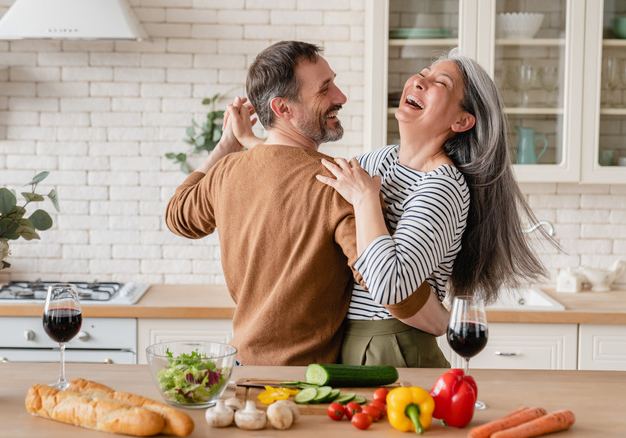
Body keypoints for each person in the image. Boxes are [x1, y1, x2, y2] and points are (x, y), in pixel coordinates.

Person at [229, 48, 551, 367]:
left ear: (461, 120)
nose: (419, 82)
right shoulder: (380, 160)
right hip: (348, 343)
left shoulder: (443, 186)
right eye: (422, 74)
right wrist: (251, 141)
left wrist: (366, 200)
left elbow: (391, 286)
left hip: (395, 346)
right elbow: (312, 175)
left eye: (441, 83)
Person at [165, 41, 369, 366]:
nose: (340, 97)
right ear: (283, 109)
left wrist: (226, 145)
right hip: (306, 380)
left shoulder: (227, 171)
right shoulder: (338, 182)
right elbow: (381, 280)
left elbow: (178, 216)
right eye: (325, 89)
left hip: (241, 369)